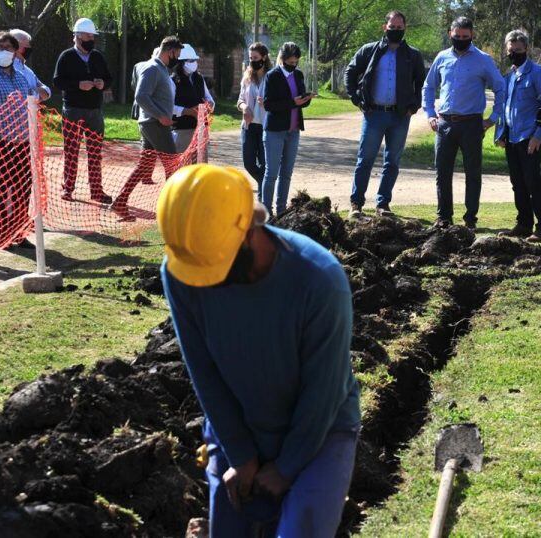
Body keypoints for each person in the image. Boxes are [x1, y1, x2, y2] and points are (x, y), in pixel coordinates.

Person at [157, 163, 360, 537]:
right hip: (238, 426)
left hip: (320, 429)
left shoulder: (318, 280)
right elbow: (204, 373)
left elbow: (323, 390)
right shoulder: (183, 270)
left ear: (249, 229)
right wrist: (241, 454)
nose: (210, 282)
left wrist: (286, 467)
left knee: (302, 529)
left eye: (217, 265)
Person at [423, 16, 505, 231]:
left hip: (472, 124)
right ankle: (444, 217)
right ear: (450, 33)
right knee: (442, 172)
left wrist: (493, 118)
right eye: (457, 36)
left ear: (472, 35)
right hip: (445, 124)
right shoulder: (442, 58)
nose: (460, 39)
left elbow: (500, 88)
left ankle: (470, 219)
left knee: (473, 173)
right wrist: (430, 114)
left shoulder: (483, 60)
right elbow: (428, 87)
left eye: (465, 37)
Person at [345, 10, 426, 218]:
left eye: (399, 28)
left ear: (404, 29)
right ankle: (356, 204)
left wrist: (414, 105)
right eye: (392, 28)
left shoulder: (413, 55)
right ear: (385, 27)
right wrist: (356, 97)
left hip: (400, 116)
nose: (395, 31)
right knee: (365, 159)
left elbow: (420, 82)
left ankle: (383, 204)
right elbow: (350, 72)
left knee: (392, 162)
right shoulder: (369, 50)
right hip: (374, 114)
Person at [110, 36, 185, 221]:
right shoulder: (152, 68)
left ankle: (120, 202)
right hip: (155, 124)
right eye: (178, 55)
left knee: (144, 166)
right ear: (171, 52)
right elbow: (141, 96)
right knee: (172, 164)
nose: (178, 59)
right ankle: (172, 211)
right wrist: (161, 115)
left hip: (152, 123)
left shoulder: (160, 69)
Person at [494, 29, 541, 242]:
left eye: (518, 50)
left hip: (530, 139)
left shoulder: (538, 74)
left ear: (526, 49)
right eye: (511, 50)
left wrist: (538, 136)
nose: (514, 54)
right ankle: (523, 224)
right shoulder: (508, 77)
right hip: (512, 139)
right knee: (517, 183)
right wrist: (501, 134)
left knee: (532, 182)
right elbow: (505, 108)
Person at [53, 17, 113, 203]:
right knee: (71, 151)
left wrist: (103, 83)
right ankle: (68, 188)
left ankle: (96, 190)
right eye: (87, 35)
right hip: (73, 109)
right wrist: (78, 85)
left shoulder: (98, 56)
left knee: (95, 152)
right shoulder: (66, 56)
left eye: (92, 36)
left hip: (95, 111)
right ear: (77, 36)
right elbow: (58, 81)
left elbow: (109, 78)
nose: (91, 39)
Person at [0, 31, 35, 249]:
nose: (5, 52)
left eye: (10, 48)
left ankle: (19, 232)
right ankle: (1, 235)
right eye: (1, 47)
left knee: (23, 188)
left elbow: (31, 100)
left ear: (16, 52)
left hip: (22, 142)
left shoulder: (22, 77)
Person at [261, 42, 312, 216]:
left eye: (296, 62)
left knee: (287, 173)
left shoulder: (298, 75)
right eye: (290, 62)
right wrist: (292, 102)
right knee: (272, 172)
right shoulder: (272, 76)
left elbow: (301, 99)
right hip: (275, 131)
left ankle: (281, 210)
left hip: (293, 130)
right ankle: (267, 212)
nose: (293, 65)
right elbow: (268, 104)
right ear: (282, 59)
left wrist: (306, 98)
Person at [237, 42, 270, 195]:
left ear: (264, 57)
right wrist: (244, 107)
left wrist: (268, 102)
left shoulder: (272, 77)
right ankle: (263, 183)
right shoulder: (247, 77)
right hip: (249, 127)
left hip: (266, 127)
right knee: (249, 163)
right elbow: (240, 100)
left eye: (255, 57)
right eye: (250, 58)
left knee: (265, 164)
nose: (252, 61)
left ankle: (264, 198)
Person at [171, 44, 215, 155]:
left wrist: (209, 106)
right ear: (181, 62)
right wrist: (187, 111)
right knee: (182, 166)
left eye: (194, 60)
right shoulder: (172, 81)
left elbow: (209, 99)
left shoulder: (199, 78)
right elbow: (168, 107)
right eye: (190, 61)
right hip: (182, 129)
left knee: (199, 165)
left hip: (200, 129)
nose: (194, 63)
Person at [9, 28, 51, 103]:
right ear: (16, 46)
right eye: (26, 46)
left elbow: (47, 91)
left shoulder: (27, 70)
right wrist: (37, 93)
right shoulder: (9, 68)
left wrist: (33, 92)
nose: (29, 48)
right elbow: (23, 96)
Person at [131, 47, 161, 120]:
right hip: (150, 102)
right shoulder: (159, 68)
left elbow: (134, 85)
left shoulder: (138, 65)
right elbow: (134, 85)